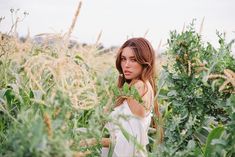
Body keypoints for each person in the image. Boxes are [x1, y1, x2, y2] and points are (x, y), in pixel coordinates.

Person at [102, 37, 161, 157]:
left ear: (144, 61)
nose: (126, 65)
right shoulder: (143, 85)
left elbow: (128, 143)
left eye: (133, 60)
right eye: (123, 59)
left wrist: (91, 142)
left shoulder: (139, 87)